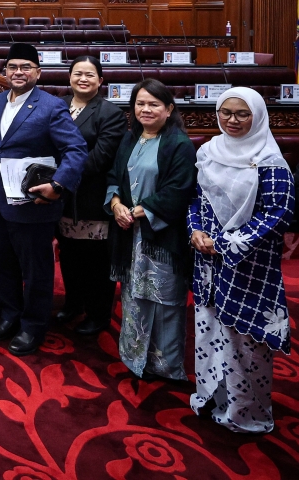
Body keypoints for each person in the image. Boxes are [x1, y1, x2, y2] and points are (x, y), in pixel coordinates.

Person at [188, 88, 294, 433]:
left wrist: (224, 243)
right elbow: (196, 199)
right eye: (226, 112)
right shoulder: (208, 151)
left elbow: (277, 213)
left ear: (258, 116)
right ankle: (211, 397)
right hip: (207, 261)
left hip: (250, 265)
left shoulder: (270, 161)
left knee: (244, 341)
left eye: (242, 114)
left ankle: (246, 415)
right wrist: (195, 230)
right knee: (209, 331)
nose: (232, 120)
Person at [0, 43, 87, 356]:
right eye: (13, 67)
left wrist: (58, 185)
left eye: (25, 67)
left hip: (32, 203)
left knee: (36, 269)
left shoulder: (51, 106)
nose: (18, 72)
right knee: (0, 263)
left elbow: (76, 149)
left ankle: (33, 326)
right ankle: (10, 315)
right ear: (5, 71)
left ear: (38, 73)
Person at [106, 78, 195, 380]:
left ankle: (165, 366)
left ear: (169, 109)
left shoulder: (179, 144)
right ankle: (134, 357)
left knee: (164, 299)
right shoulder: (130, 138)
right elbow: (113, 175)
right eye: (140, 103)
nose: (146, 109)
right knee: (133, 295)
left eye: (153, 104)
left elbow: (178, 191)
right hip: (129, 233)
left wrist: (135, 212)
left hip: (161, 235)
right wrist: (116, 204)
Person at [55, 56, 126, 335]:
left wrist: (57, 174)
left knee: (95, 260)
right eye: (78, 73)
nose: (83, 79)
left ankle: (98, 314)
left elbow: (99, 158)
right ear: (69, 77)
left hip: (91, 196)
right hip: (61, 198)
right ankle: (73, 303)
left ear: (100, 81)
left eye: (89, 75)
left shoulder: (110, 113)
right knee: (69, 254)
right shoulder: (58, 105)